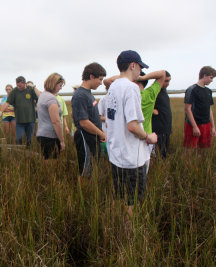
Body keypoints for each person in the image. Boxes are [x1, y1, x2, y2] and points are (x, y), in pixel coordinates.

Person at [104, 50, 157, 217]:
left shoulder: (113, 87)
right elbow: (133, 126)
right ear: (132, 65)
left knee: (119, 196)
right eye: (140, 67)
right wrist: (149, 137)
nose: (140, 72)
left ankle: (115, 227)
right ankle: (127, 236)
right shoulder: (131, 88)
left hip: (116, 154)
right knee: (132, 201)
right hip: (131, 157)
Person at [72, 62, 107, 178]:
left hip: (93, 137)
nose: (101, 83)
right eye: (100, 79)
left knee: (92, 169)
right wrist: (101, 134)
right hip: (85, 137)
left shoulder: (88, 94)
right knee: (85, 171)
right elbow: (84, 122)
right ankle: (82, 194)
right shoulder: (80, 95)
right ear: (91, 76)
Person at [1, 76, 41, 146]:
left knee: (29, 141)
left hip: (31, 121)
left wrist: (34, 87)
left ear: (25, 83)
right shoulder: (14, 91)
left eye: (20, 86)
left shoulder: (31, 90)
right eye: (17, 85)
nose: (18, 87)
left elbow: (40, 98)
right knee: (18, 140)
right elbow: (7, 103)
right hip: (19, 121)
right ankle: (18, 154)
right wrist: (1, 112)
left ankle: (28, 154)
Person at [184, 66, 216, 149]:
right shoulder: (192, 89)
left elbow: (209, 109)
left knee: (204, 149)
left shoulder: (209, 91)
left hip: (206, 124)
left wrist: (213, 127)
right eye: (211, 78)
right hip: (193, 125)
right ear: (204, 75)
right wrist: (195, 127)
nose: (212, 80)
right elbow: (187, 109)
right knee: (190, 149)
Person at [36, 73, 66, 160]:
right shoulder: (51, 99)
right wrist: (61, 140)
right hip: (50, 136)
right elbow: (56, 121)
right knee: (51, 164)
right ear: (53, 84)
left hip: (42, 134)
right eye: (60, 85)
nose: (61, 88)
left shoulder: (43, 96)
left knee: (46, 160)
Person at [152, 71, 172, 158]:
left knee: (164, 153)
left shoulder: (164, 91)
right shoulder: (153, 91)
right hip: (158, 129)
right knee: (158, 154)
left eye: (169, 81)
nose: (168, 83)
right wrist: (152, 110)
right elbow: (141, 104)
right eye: (166, 81)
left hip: (166, 128)